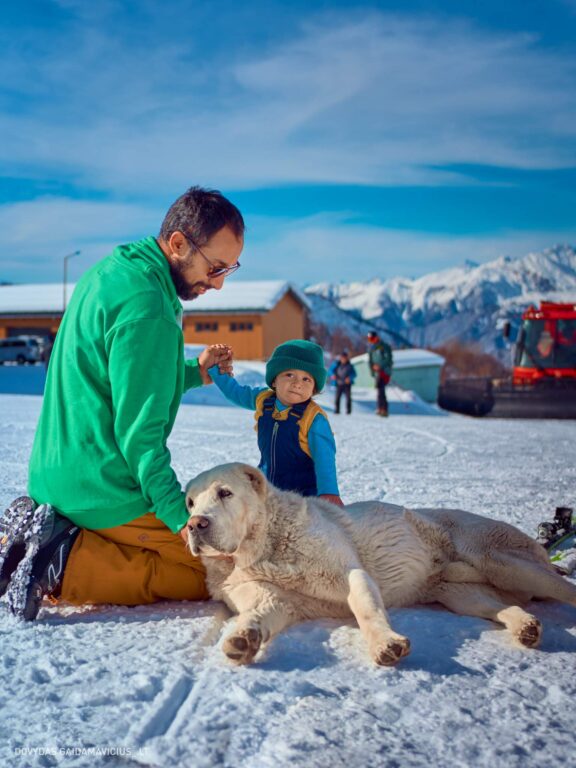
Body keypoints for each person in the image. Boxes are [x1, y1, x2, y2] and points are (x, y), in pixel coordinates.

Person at [0, 186, 244, 620]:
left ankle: (37, 536)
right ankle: (65, 560)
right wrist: (177, 518)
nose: (220, 282)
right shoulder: (149, 306)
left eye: (231, 268)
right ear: (177, 244)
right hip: (99, 488)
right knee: (216, 569)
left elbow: (121, 378)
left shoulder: (115, 271)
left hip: (56, 476)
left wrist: (193, 371)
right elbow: (140, 436)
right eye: (216, 266)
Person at [209, 339, 343, 507]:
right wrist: (217, 371)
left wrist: (329, 492)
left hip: (304, 498)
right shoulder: (263, 400)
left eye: (306, 379)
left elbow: (325, 459)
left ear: (314, 388)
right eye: (289, 375)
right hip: (267, 490)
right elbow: (236, 393)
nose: (297, 383)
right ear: (274, 380)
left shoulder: (314, 418)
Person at [367, 331, 393, 417]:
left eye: (372, 339)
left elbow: (388, 359)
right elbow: (370, 361)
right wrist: (372, 371)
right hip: (376, 373)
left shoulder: (384, 347)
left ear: (377, 337)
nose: (371, 341)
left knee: (381, 389)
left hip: (384, 372)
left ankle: (383, 409)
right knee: (379, 390)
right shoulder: (371, 349)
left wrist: (380, 366)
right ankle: (380, 408)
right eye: (369, 339)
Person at [329, 350, 357, 414]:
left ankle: (348, 411)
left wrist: (349, 378)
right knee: (337, 397)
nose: (343, 359)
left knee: (348, 398)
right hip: (339, 383)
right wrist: (332, 375)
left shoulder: (350, 366)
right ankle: (337, 410)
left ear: (347, 358)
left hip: (347, 384)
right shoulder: (336, 364)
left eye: (345, 358)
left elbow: (354, 374)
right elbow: (330, 371)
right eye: (342, 358)